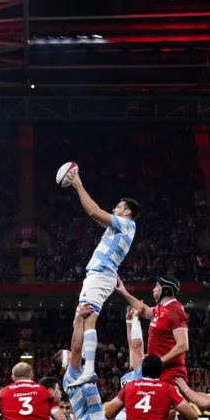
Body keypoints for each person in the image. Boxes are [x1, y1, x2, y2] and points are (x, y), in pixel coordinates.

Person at [115, 276, 205, 420]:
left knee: (167, 419)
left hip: (170, 372)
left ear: (164, 289)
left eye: (155, 286)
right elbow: (143, 309)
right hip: (160, 373)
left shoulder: (175, 310)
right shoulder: (160, 310)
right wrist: (124, 293)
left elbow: (183, 345)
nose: (152, 289)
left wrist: (157, 361)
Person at [63, 165, 139, 387]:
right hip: (97, 275)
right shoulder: (119, 227)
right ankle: (87, 369)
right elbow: (96, 215)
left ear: (127, 212)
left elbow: (94, 211)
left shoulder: (126, 224)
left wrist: (78, 185)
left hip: (101, 274)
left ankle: (89, 370)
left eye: (119, 206)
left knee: (88, 318)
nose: (115, 209)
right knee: (83, 319)